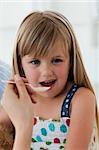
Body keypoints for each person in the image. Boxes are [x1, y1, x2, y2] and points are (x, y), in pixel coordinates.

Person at [0, 11, 98, 150]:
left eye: (56, 60)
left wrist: (23, 126)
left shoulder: (81, 99)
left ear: (71, 61)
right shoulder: (19, 100)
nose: (46, 72)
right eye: (35, 62)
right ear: (21, 64)